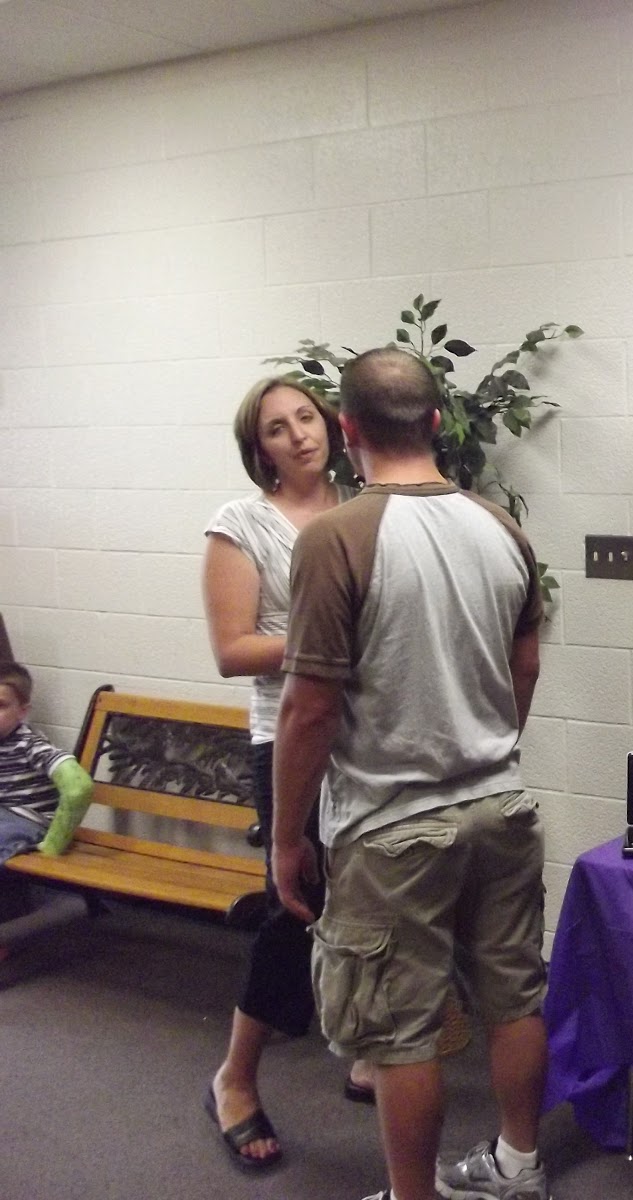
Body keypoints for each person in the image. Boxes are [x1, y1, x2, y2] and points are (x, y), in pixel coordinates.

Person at [270, 348, 549, 1200]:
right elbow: (525, 667)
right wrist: (483, 743)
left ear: (347, 432)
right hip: (501, 804)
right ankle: (518, 1165)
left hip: (391, 828)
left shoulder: (335, 538)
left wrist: (287, 836)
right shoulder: (502, 528)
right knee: (513, 997)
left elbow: (309, 709)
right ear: (435, 422)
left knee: (399, 1032)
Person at [201, 376, 365, 1171]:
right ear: (256, 448)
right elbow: (235, 650)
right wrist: (336, 634)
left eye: (307, 417)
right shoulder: (242, 524)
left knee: (373, 890)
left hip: (370, 737)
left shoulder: (366, 503)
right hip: (287, 738)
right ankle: (235, 1078)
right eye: (277, 428)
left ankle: (364, 1046)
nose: (300, 435)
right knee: (296, 905)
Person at [0, 661, 96, 963]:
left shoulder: (30, 744)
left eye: (0, 705)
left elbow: (79, 787)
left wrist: (54, 843)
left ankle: (5, 935)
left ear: (23, 711)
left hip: (26, 820)